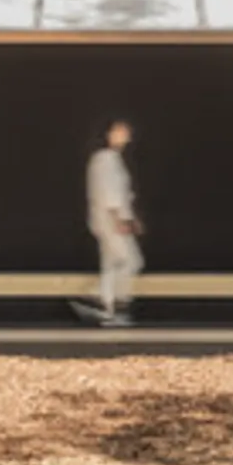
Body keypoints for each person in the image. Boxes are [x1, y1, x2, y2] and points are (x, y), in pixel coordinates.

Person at [72, 119, 144, 327]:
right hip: (109, 220)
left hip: (112, 219)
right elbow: (108, 193)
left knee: (113, 264)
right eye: (119, 131)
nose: (125, 136)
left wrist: (131, 219)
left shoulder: (112, 159)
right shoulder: (104, 159)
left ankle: (108, 308)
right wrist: (119, 219)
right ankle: (100, 298)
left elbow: (122, 194)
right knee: (129, 261)